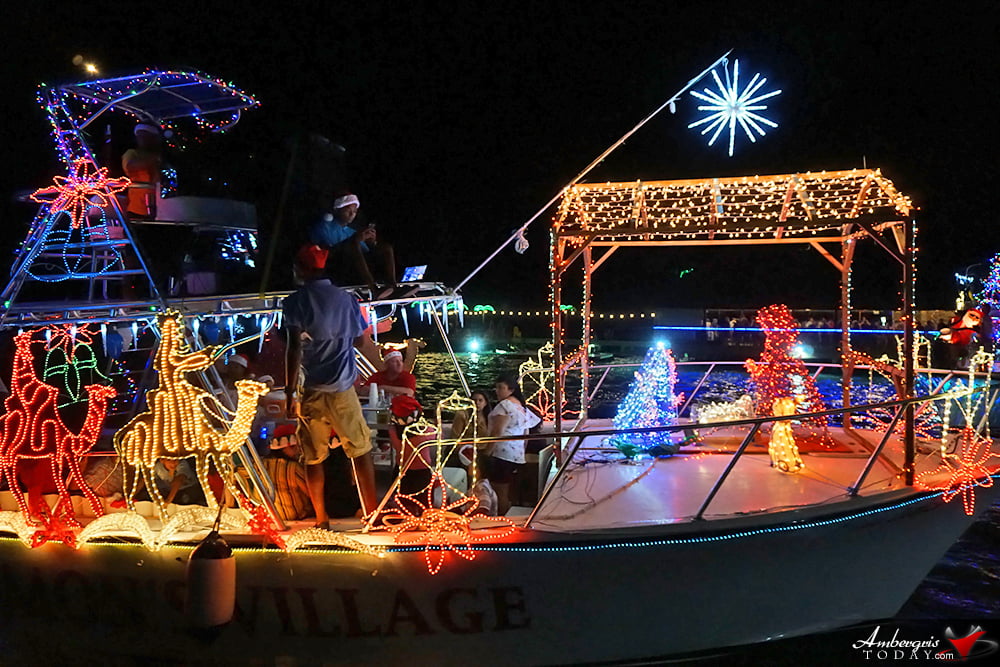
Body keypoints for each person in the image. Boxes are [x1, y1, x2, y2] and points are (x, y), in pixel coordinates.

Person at [283, 243, 379, 528]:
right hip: (342, 389)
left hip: (312, 390)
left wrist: (289, 392)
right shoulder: (347, 300)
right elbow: (360, 340)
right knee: (360, 449)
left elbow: (293, 349)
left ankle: (321, 519)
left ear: (301, 269)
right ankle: (372, 514)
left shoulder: (294, 302)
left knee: (313, 458)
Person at [308, 193, 398, 299]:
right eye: (348, 211)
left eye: (354, 211)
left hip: (356, 267)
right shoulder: (324, 227)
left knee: (386, 248)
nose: (352, 214)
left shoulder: (351, 231)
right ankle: (373, 289)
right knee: (353, 244)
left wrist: (372, 243)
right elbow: (329, 252)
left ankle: (393, 286)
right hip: (336, 266)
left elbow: (364, 252)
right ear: (337, 210)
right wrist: (355, 240)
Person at [487, 374, 540, 516]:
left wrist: (486, 452)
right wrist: (522, 451)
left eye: (501, 388)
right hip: (516, 455)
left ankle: (501, 518)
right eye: (496, 387)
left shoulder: (504, 406)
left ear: (511, 390)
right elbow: (526, 433)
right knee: (509, 490)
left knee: (499, 491)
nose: (497, 391)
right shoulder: (520, 406)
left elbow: (497, 432)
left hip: (502, 454)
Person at [262, 424, 313, 522]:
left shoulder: (263, 464)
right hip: (293, 515)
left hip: (268, 515)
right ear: (282, 448)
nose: (298, 450)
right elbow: (311, 493)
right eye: (293, 447)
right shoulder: (293, 468)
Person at [121, 123, 162, 219]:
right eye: (140, 136)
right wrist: (154, 159)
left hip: (160, 205)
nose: (142, 139)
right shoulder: (131, 153)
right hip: (138, 208)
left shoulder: (160, 155)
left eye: (146, 136)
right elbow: (131, 166)